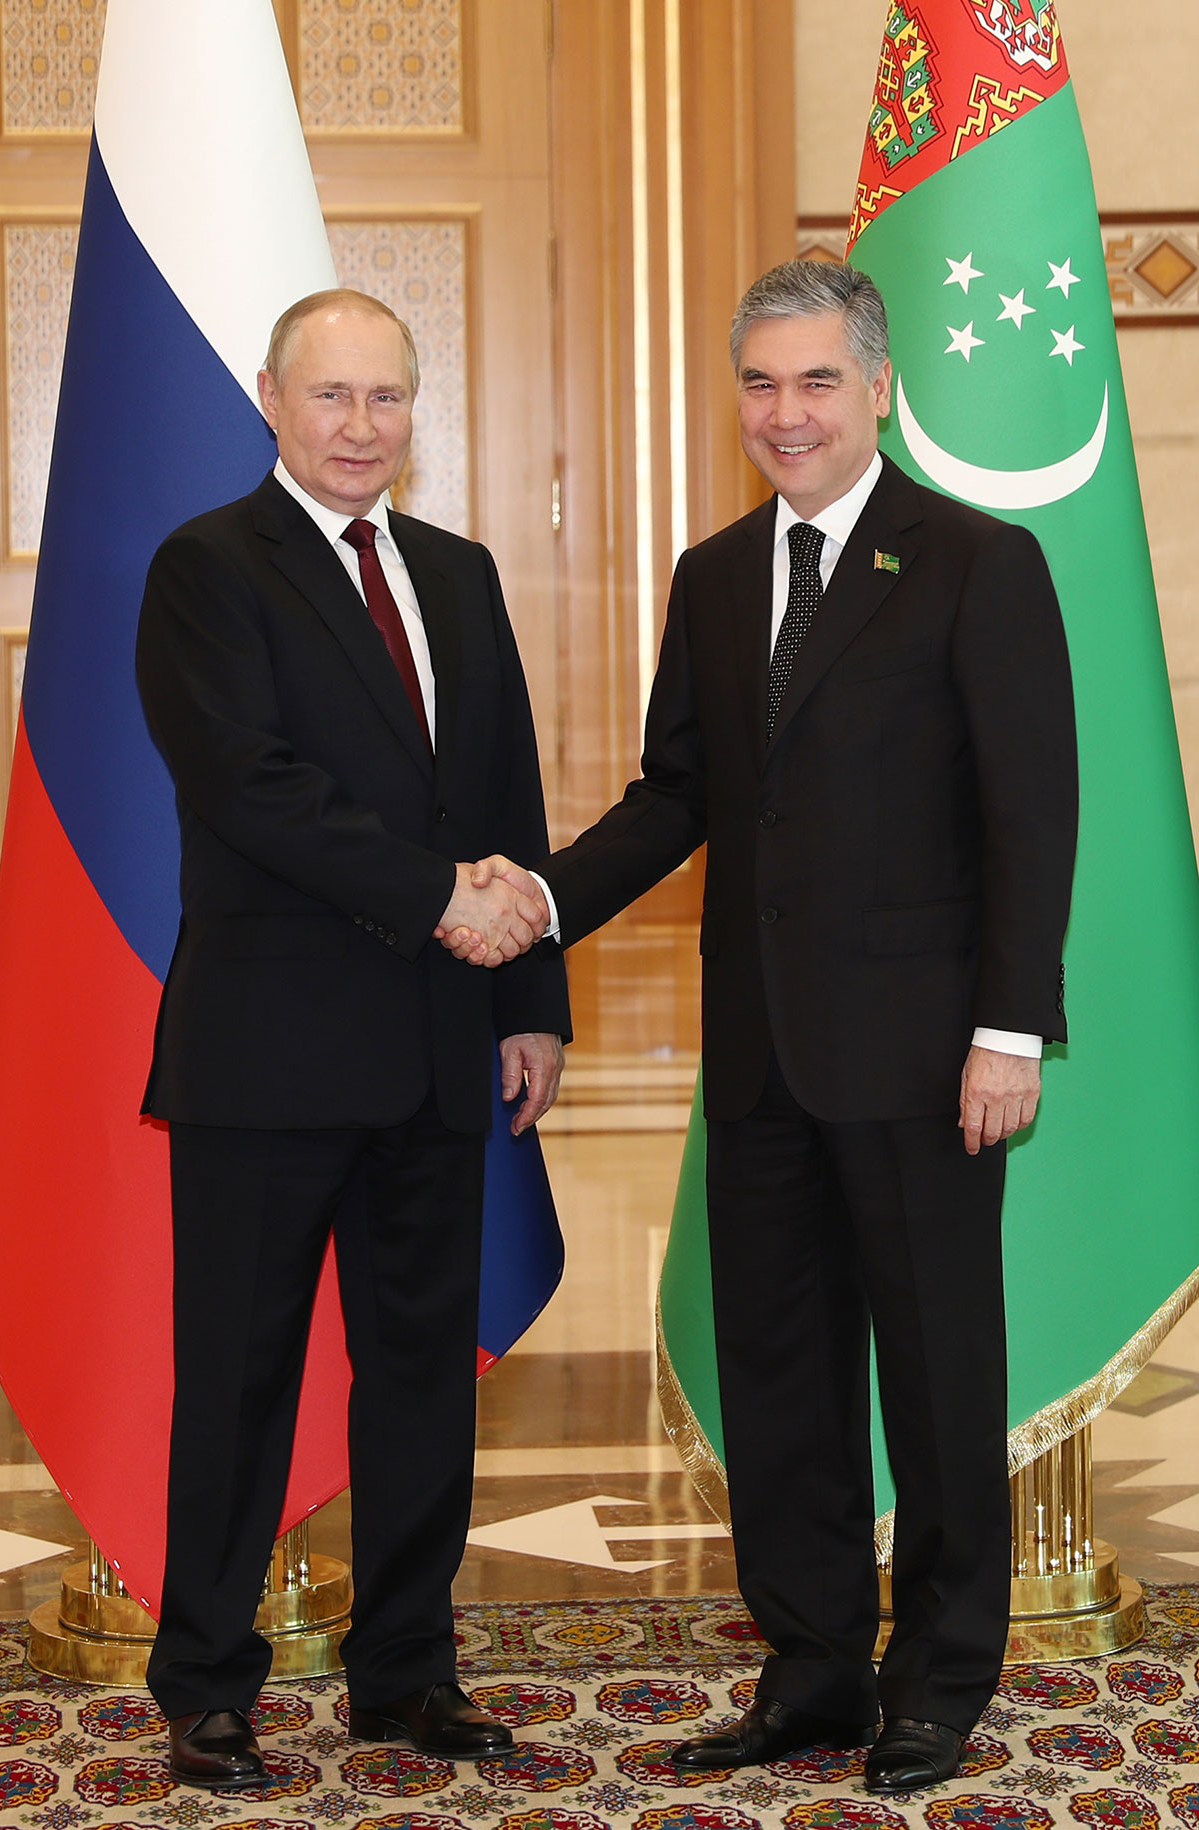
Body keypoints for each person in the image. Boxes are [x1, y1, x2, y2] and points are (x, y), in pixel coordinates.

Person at [448, 260, 1077, 1793]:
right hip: (763, 1060)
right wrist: (537, 895)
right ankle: (812, 1671)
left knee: (936, 1376)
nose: (784, 414)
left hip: (930, 1055)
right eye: (759, 384)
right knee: (782, 1375)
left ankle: (939, 1677)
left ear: (875, 387)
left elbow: (1031, 810)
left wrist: (1011, 1024)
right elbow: (678, 795)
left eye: (813, 382)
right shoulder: (717, 576)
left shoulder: (977, 561)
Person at [136, 289, 569, 1789]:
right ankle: (204, 1680)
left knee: (421, 1383)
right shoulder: (204, 567)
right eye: (333, 397)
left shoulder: (457, 570)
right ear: (271, 397)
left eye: (387, 398)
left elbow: (503, 790)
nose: (362, 426)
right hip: (270, 1054)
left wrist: (530, 1002)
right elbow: (250, 786)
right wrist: (441, 898)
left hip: (445, 1048)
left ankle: (405, 1671)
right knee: (239, 1377)